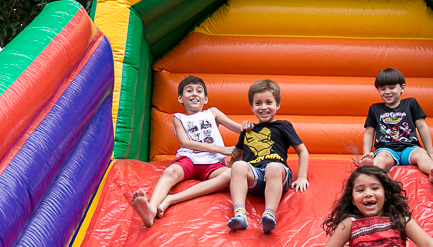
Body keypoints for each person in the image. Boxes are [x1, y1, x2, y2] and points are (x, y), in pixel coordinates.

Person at [129, 75, 250, 227]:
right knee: (170, 172)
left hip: (213, 164)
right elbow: (185, 143)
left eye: (199, 91)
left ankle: (172, 199)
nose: (194, 94)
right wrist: (222, 149)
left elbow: (240, 129)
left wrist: (248, 127)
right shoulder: (179, 118)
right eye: (189, 90)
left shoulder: (212, 113)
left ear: (205, 99)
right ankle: (151, 209)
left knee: (231, 174)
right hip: (189, 160)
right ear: (180, 98)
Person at [226, 79, 309, 233]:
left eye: (268, 102)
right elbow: (237, 155)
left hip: (277, 174)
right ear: (252, 107)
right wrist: (230, 170)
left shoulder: (283, 126)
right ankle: (240, 214)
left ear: (277, 105)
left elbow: (302, 151)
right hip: (255, 177)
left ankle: (269, 215)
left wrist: (302, 177)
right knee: (239, 165)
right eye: (258, 103)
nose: (263, 107)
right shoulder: (248, 130)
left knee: (273, 167)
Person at [360, 67, 433, 183]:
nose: (387, 92)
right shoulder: (375, 109)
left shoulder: (411, 103)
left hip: (410, 148)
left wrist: (430, 152)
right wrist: (367, 154)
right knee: (381, 158)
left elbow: (422, 127)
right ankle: (370, 168)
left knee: (421, 155)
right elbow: (369, 133)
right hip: (387, 149)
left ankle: (432, 171)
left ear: (402, 87)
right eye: (382, 89)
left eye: (391, 88)